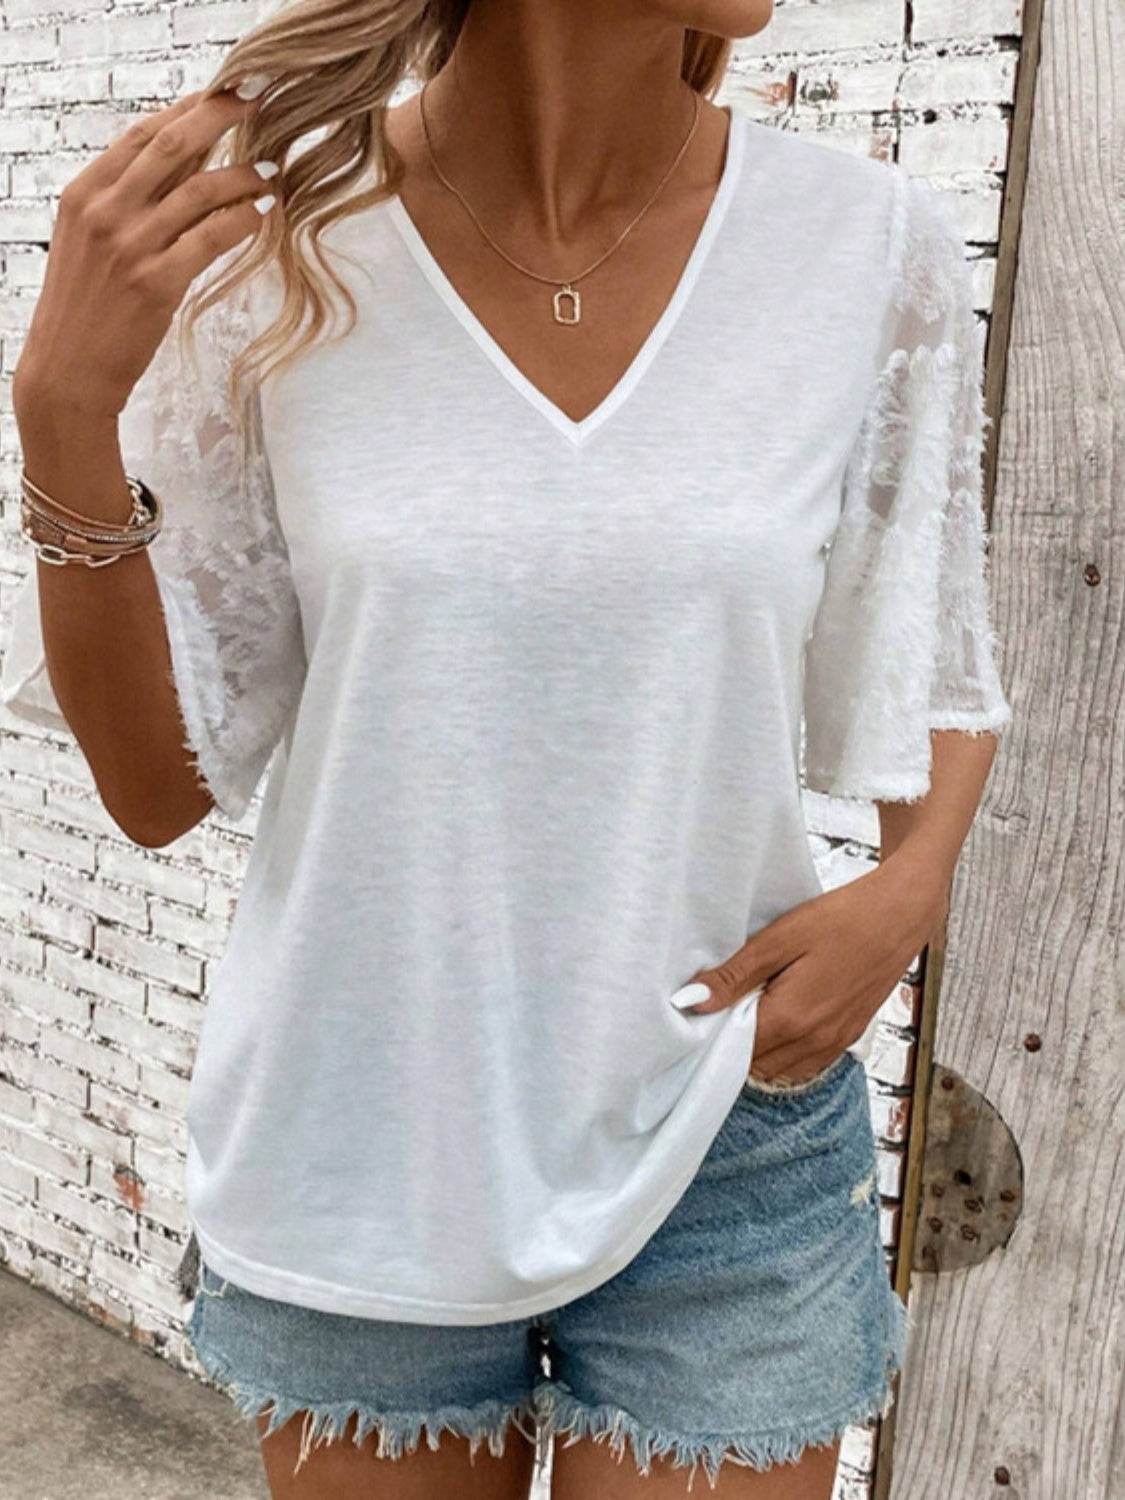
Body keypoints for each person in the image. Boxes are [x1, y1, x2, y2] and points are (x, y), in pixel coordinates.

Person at [1, 1, 1015, 1496]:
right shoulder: (274, 253)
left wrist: (909, 888)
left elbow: (932, 627)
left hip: (723, 1120)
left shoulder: (864, 244)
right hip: (358, 1130)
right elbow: (156, 790)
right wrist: (64, 415)